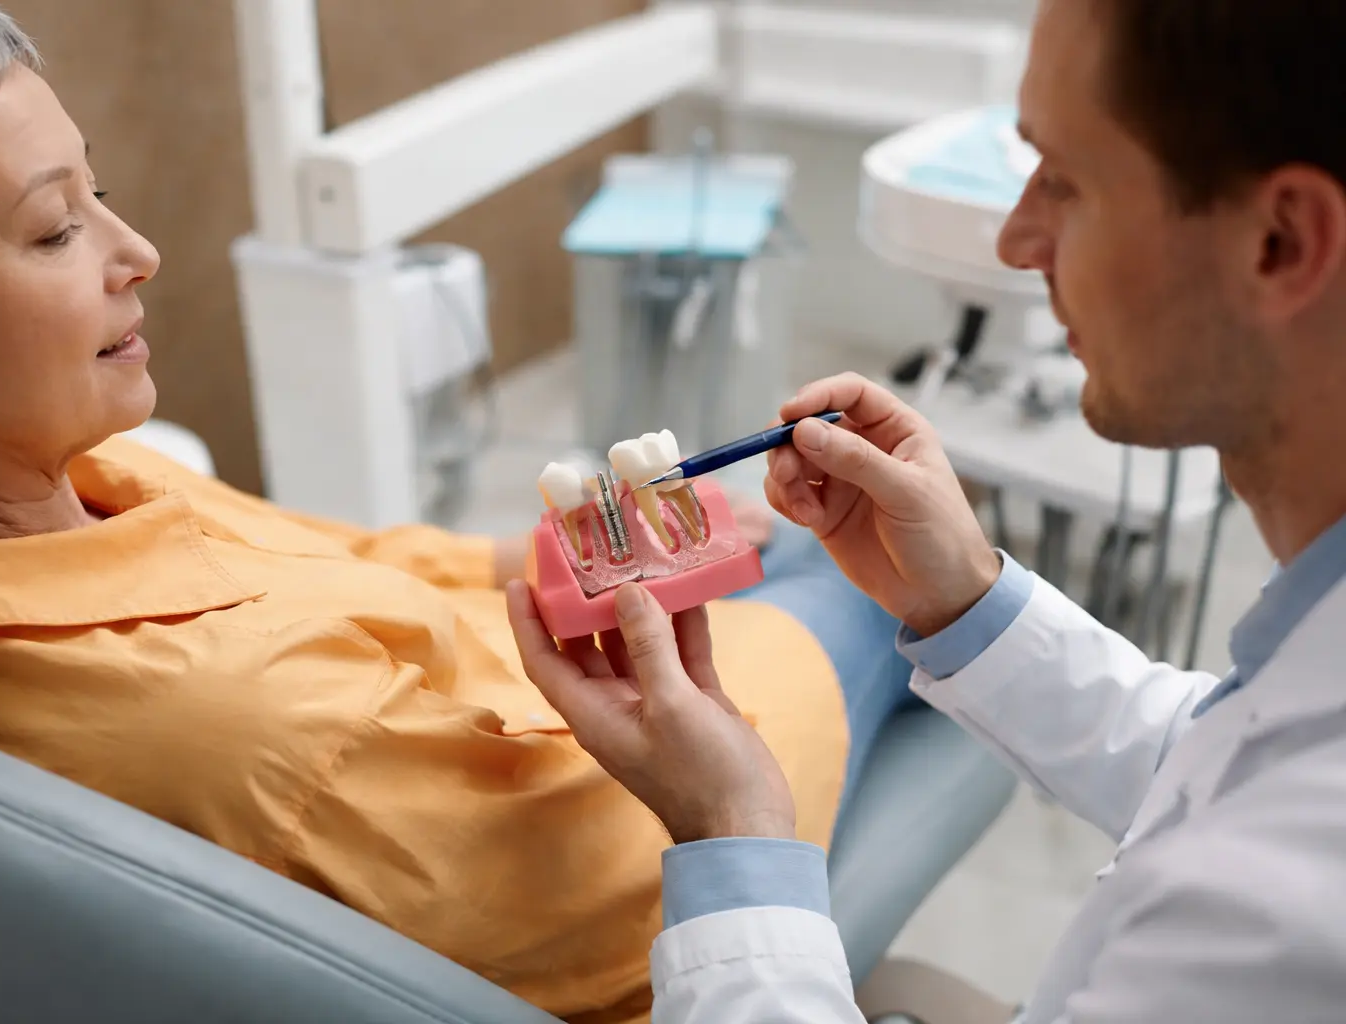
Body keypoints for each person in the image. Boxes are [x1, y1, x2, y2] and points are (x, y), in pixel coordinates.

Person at [0, 2, 923, 1020]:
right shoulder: (239, 723)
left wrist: (525, 564)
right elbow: (617, 871)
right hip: (652, 831)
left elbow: (322, 549)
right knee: (865, 561)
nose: (137, 253)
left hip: (512, 704)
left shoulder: (62, 491)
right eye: (56, 229)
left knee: (775, 536)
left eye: (97, 194)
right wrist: (806, 639)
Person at [509, 0, 1346, 1021]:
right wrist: (969, 601)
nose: (1016, 239)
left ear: (1279, 242)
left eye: (1063, 180)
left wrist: (731, 824)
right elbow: (1215, 763)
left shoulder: (1289, 920)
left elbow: (1252, 831)